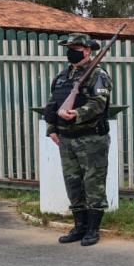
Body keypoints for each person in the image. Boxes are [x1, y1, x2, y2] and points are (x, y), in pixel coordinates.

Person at [44, 34, 112, 246]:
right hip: (66, 139)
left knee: (93, 184)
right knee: (73, 183)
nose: (71, 50)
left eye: (76, 47)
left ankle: (93, 229)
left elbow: (99, 103)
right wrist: (52, 128)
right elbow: (53, 103)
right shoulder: (62, 76)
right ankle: (79, 226)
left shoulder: (98, 75)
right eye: (69, 47)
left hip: (91, 138)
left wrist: (77, 113)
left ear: (88, 51)